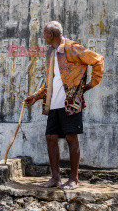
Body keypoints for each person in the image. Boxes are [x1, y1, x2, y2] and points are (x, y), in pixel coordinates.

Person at [23, 21, 104, 190]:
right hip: (53, 103)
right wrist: (37, 96)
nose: (43, 37)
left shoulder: (72, 48)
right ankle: (55, 178)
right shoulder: (51, 52)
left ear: (51, 35)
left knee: (70, 137)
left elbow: (98, 60)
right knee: (50, 137)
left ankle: (73, 179)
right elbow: (50, 81)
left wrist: (89, 85)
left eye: (45, 34)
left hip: (70, 101)